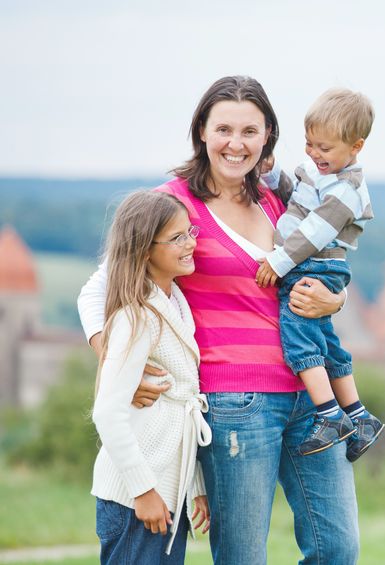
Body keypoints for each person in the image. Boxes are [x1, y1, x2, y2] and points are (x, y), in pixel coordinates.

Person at [79, 76, 359, 564]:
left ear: (268, 136)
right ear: (202, 133)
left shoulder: (283, 200)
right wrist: (116, 363)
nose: (236, 143)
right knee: (242, 557)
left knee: (338, 548)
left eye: (250, 131)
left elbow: (318, 272)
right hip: (236, 403)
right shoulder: (172, 205)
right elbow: (97, 289)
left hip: (313, 400)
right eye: (224, 129)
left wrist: (334, 302)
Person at [255, 88, 384, 460]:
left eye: (324, 148)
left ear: (355, 147)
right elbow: (297, 196)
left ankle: (330, 416)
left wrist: (278, 262)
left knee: (298, 339)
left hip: (314, 263)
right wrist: (272, 174)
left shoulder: (347, 189)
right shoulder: (321, 172)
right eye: (310, 144)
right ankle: (360, 418)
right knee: (326, 343)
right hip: (317, 264)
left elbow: (315, 232)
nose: (314, 154)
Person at [90, 190, 211, 563]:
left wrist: (196, 488)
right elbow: (107, 414)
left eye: (190, 232)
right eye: (177, 238)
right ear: (144, 250)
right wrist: (143, 490)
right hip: (136, 498)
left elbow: (180, 414)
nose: (191, 243)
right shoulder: (137, 315)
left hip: (165, 494)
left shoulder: (175, 303)